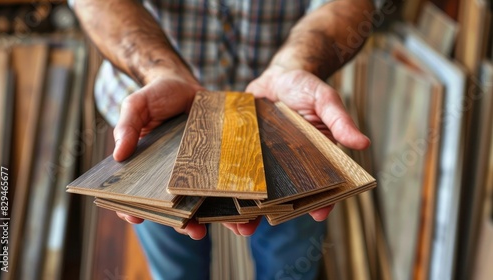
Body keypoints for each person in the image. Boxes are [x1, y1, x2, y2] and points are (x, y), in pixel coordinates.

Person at [73, 0, 373, 279]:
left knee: (289, 267)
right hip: (158, 121)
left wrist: (295, 66)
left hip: (287, 122)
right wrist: (159, 71)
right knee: (177, 271)